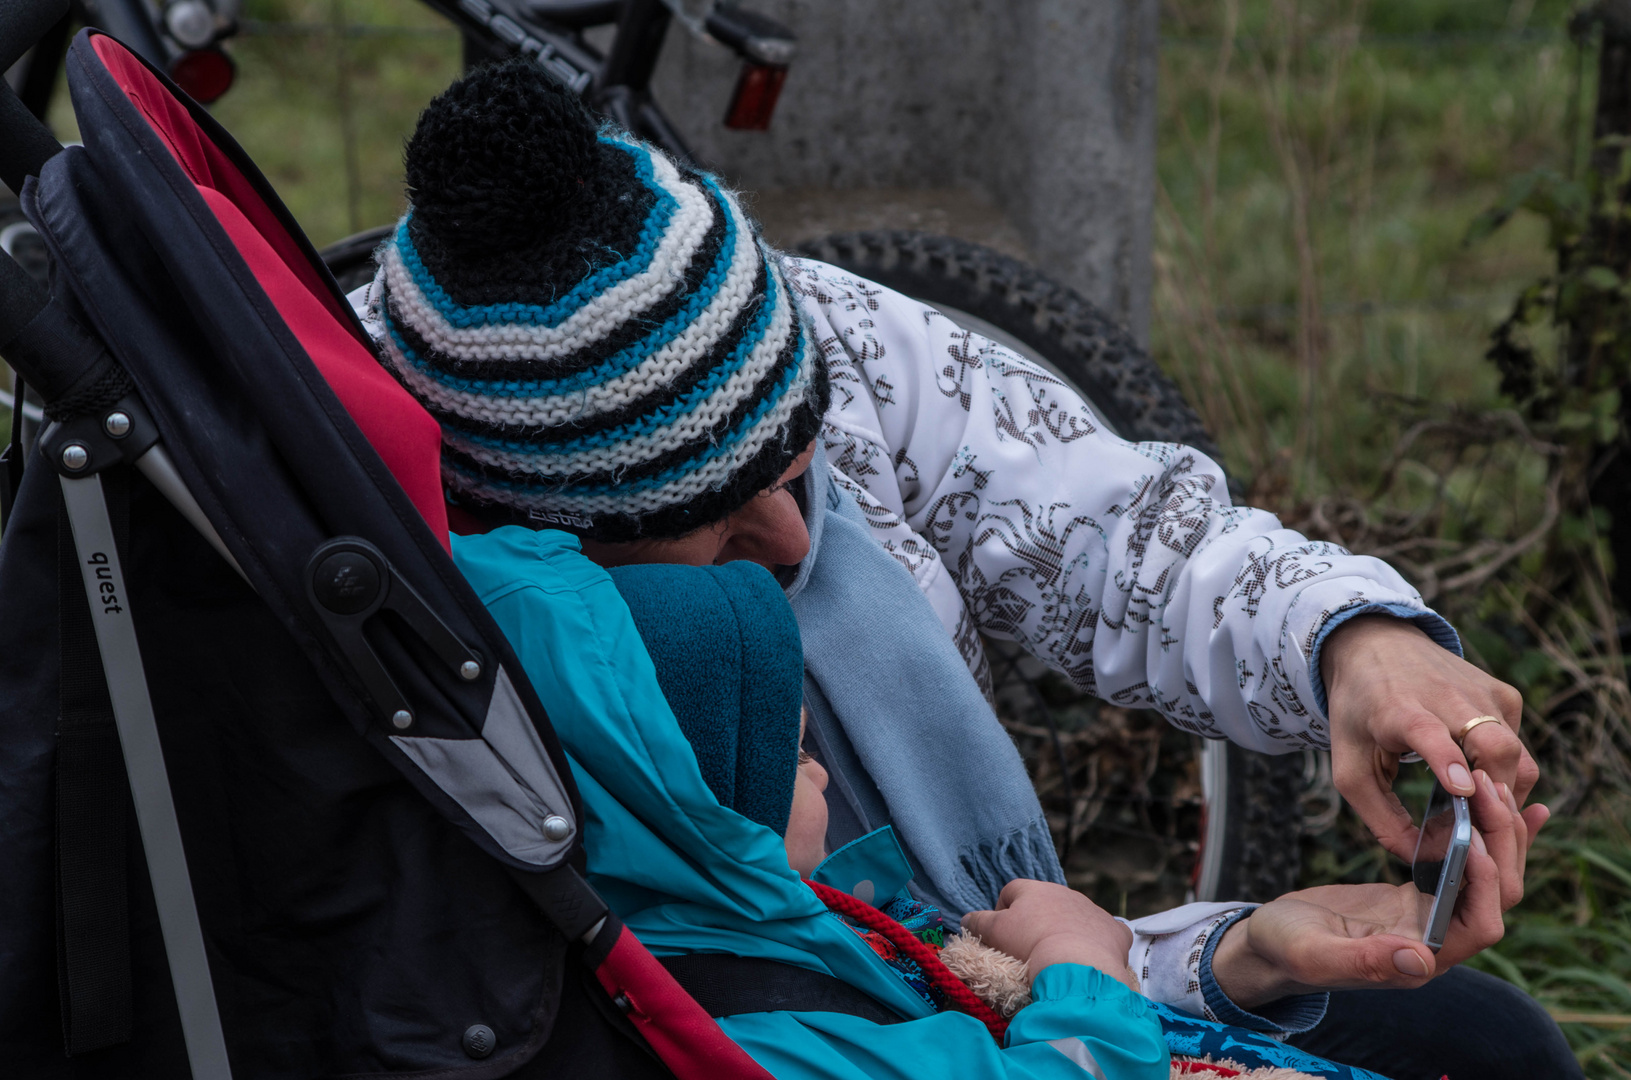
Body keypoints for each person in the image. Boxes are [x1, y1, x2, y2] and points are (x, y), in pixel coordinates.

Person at [354, 60, 1575, 1077]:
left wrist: (1352, 644)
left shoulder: (810, 324)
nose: (796, 539)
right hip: (886, 1009)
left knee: (1488, 1041)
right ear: (541, 543)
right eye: (714, 528)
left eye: (800, 464)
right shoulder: (440, 629)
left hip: (973, 976)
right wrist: (1127, 980)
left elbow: (1113, 530)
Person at [455, 531, 1499, 1078]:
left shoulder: (764, 917)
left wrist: (1246, 955)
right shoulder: (758, 1034)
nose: (819, 770)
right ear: (698, 813)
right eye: (791, 754)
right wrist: (1085, 969)